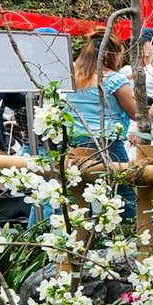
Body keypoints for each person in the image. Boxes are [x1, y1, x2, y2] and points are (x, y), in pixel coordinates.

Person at [64, 33, 138, 220]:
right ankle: (135, 240)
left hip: (74, 145)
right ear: (110, 54)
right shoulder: (114, 80)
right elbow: (137, 114)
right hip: (107, 144)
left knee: (76, 197)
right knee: (124, 197)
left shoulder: (72, 78)